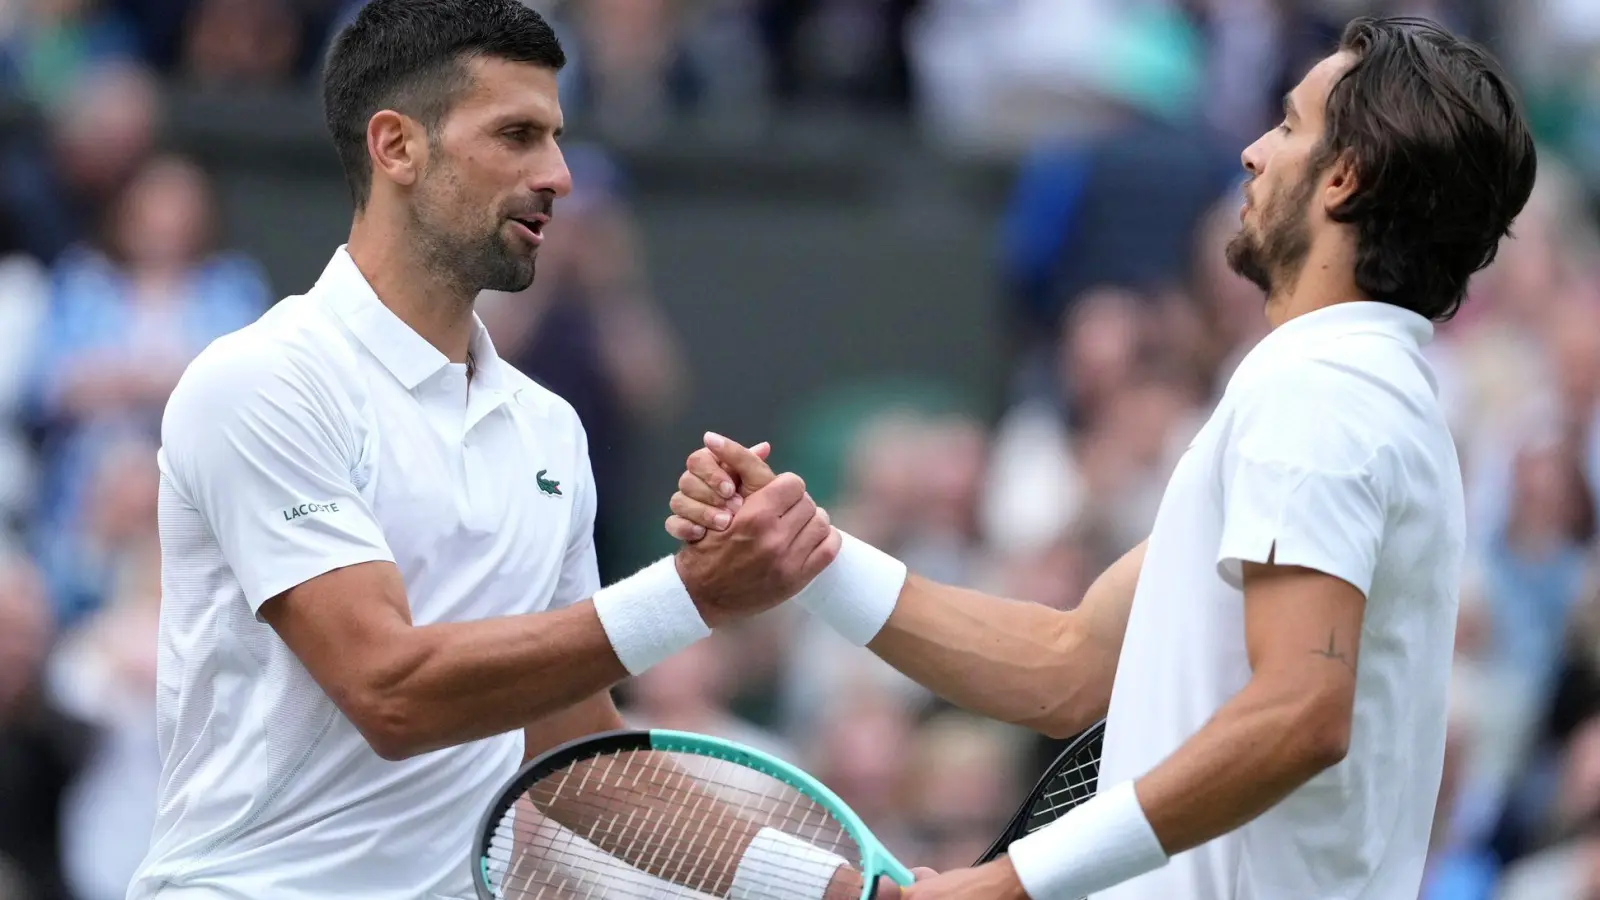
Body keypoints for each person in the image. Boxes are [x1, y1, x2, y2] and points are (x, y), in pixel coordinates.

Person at [667, 16, 1538, 900]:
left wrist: (1003, 885)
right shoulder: (1363, 391)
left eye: (1287, 127)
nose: (1251, 152)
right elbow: (1066, 663)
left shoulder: (1323, 390)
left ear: (1344, 179)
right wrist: (809, 557)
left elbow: (1300, 713)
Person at [125, 2, 873, 898]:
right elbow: (390, 693)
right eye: (517, 135)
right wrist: (692, 595)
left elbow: (577, 759)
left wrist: (847, 892)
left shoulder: (549, 430)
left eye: (555, 137)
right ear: (396, 147)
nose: (557, 174)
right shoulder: (261, 382)